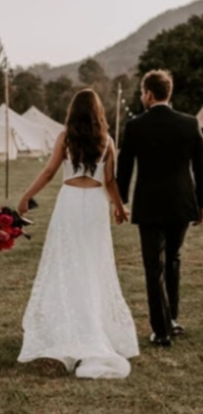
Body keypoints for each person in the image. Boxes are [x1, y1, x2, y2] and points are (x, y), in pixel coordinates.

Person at [16, 89, 139, 379]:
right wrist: (119, 208)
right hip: (95, 204)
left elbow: (48, 172)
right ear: (98, 113)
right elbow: (110, 180)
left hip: (70, 202)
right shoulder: (107, 141)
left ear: (73, 112)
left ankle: (72, 326)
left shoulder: (65, 138)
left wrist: (26, 197)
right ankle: (93, 326)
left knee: (67, 262)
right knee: (93, 264)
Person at [117, 70, 203, 347]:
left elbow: (125, 168)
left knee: (154, 267)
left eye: (142, 93)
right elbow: (201, 169)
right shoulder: (190, 124)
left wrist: (120, 202)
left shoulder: (135, 126)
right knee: (174, 259)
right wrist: (202, 203)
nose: (142, 97)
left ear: (149, 94)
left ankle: (162, 330)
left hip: (150, 205)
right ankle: (173, 319)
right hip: (182, 203)